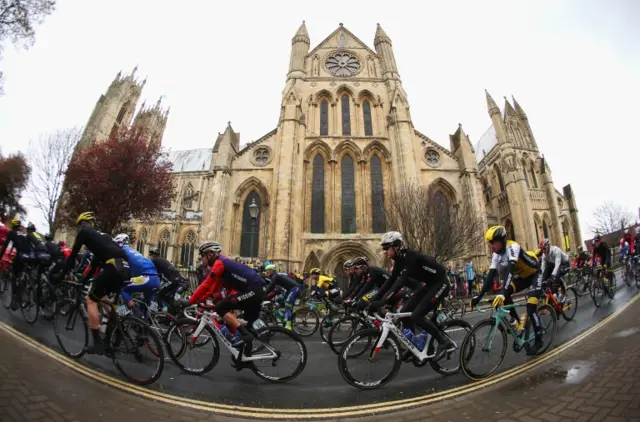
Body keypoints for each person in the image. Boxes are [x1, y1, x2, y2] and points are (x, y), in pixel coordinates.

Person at [369, 231, 453, 361]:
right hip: (430, 285)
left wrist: (384, 301)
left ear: (396, 246)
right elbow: (390, 281)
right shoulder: (399, 260)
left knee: (417, 316)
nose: (385, 252)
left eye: (387, 248)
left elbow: (400, 281)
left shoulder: (411, 257)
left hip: (441, 283)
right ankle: (414, 346)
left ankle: (444, 342)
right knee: (404, 314)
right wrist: (373, 300)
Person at [55, 212, 130, 355]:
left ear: (83, 223)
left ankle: (97, 343)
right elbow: (96, 261)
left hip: (113, 267)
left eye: (80, 225)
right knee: (103, 299)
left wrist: (61, 276)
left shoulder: (84, 233)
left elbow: (72, 257)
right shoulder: (105, 237)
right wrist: (85, 279)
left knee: (90, 300)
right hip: (125, 268)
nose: (79, 228)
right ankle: (116, 332)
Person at [178, 241, 265, 357]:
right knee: (248, 327)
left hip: (254, 290)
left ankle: (245, 335)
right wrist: (200, 300)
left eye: (202, 256)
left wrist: (190, 301)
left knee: (220, 308)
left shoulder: (219, 263)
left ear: (210, 255)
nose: (201, 259)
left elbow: (206, 284)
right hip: (255, 290)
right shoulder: (221, 265)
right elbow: (211, 289)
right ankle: (245, 359)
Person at [471, 226, 544, 355]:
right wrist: (478, 296)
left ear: (502, 240)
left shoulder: (512, 247)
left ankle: (539, 339)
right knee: (503, 294)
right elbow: (489, 278)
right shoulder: (496, 255)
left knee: (531, 306)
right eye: (490, 244)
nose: (492, 247)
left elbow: (510, 271)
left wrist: (503, 294)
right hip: (522, 277)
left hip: (534, 275)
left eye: (494, 243)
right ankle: (518, 322)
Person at [113, 234, 161, 311]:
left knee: (123, 289)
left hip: (147, 279)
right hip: (156, 280)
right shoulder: (133, 251)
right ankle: (144, 320)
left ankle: (135, 313)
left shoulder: (122, 252)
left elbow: (120, 267)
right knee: (143, 304)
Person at [0, 218, 32, 309]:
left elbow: (6, 245)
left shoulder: (11, 233)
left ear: (13, 226)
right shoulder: (23, 234)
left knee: (14, 275)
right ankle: (23, 289)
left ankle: (14, 298)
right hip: (28, 257)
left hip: (20, 256)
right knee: (21, 274)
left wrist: (0, 256)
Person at [264, 264, 301, 330]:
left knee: (287, 304)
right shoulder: (276, 276)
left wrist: (264, 294)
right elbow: (275, 289)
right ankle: (285, 317)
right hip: (289, 290)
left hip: (294, 289)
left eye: (267, 272)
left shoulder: (275, 276)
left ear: (271, 271)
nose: (266, 273)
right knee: (278, 300)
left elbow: (270, 286)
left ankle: (288, 325)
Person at [538, 238, 570, 303]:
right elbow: (542, 267)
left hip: (564, 264)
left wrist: (553, 276)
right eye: (541, 249)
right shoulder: (544, 254)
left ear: (548, 246)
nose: (543, 251)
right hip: (554, 264)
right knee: (544, 276)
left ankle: (557, 293)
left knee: (554, 277)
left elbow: (557, 264)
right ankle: (551, 294)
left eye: (544, 249)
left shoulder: (556, 250)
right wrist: (540, 278)